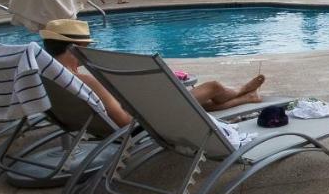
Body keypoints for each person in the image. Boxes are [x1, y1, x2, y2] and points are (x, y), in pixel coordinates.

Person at [39, 19, 267, 128]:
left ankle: (247, 97)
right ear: (72, 49)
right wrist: (144, 106)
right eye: (85, 47)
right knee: (213, 86)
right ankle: (241, 91)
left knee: (197, 104)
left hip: (102, 120)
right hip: (142, 119)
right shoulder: (83, 79)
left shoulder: (48, 74)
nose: (86, 52)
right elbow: (122, 119)